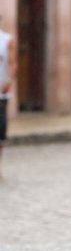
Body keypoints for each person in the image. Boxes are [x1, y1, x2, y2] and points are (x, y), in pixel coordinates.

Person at [0, 18, 16, 180]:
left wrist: (9, 81)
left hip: (1, 94)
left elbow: (12, 63)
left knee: (1, 130)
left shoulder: (7, 40)